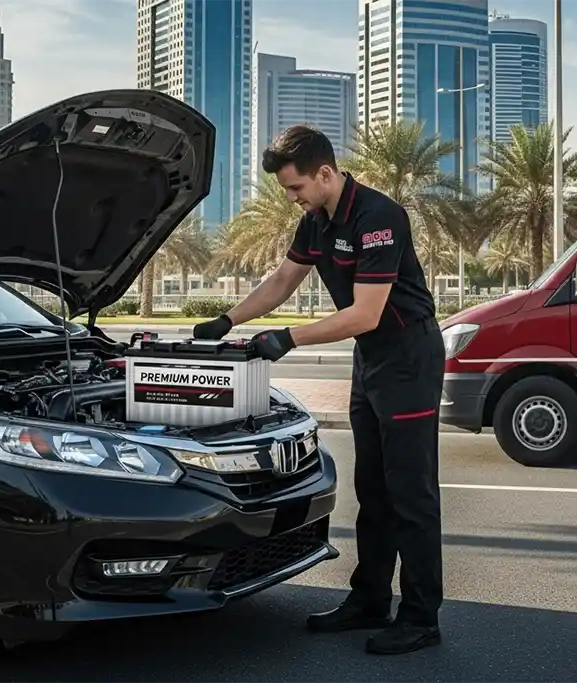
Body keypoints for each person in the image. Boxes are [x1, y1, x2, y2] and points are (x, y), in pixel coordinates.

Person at [192, 125, 445, 655]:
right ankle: (370, 600)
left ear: (325, 173)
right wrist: (227, 319)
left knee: (411, 494)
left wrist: (287, 338)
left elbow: (366, 312)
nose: (292, 198)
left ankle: (421, 617)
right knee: (373, 489)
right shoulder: (316, 221)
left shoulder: (378, 217)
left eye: (295, 188)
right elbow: (283, 280)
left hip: (408, 359)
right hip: (372, 360)